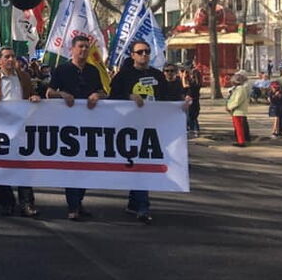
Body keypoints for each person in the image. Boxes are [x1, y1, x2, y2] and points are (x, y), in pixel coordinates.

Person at [108, 42, 189, 225]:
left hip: (152, 127)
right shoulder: (123, 76)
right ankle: (141, 204)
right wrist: (129, 97)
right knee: (137, 164)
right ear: (132, 55)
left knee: (143, 164)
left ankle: (138, 204)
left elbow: (166, 98)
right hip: (129, 127)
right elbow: (112, 98)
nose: (144, 55)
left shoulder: (157, 75)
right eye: (140, 52)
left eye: (147, 52)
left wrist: (181, 103)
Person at [46, 35, 106, 221]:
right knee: (72, 165)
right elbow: (49, 92)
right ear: (71, 49)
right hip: (67, 126)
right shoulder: (62, 70)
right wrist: (61, 94)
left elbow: (104, 91)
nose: (84, 50)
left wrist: (97, 95)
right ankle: (73, 205)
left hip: (89, 124)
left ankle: (78, 201)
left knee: (85, 165)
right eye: (80, 46)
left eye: (86, 47)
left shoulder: (93, 71)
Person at [0, 47, 42, 218]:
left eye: (13, 57)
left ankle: (27, 204)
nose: (10, 60)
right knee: (1, 167)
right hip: (0, 129)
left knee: (24, 166)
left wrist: (34, 98)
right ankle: (7, 203)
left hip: (21, 128)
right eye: (7, 57)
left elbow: (31, 95)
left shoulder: (24, 77)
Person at [226, 70, 251, 147]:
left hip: (239, 111)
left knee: (239, 127)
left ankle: (241, 141)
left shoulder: (240, 89)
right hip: (236, 111)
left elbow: (237, 101)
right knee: (238, 127)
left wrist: (230, 107)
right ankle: (240, 140)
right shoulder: (238, 88)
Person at [182, 66, 201, 137]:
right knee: (194, 117)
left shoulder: (191, 83)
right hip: (196, 102)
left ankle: (192, 130)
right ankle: (196, 130)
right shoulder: (198, 84)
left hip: (191, 102)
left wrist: (183, 77)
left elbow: (184, 86)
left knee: (190, 116)